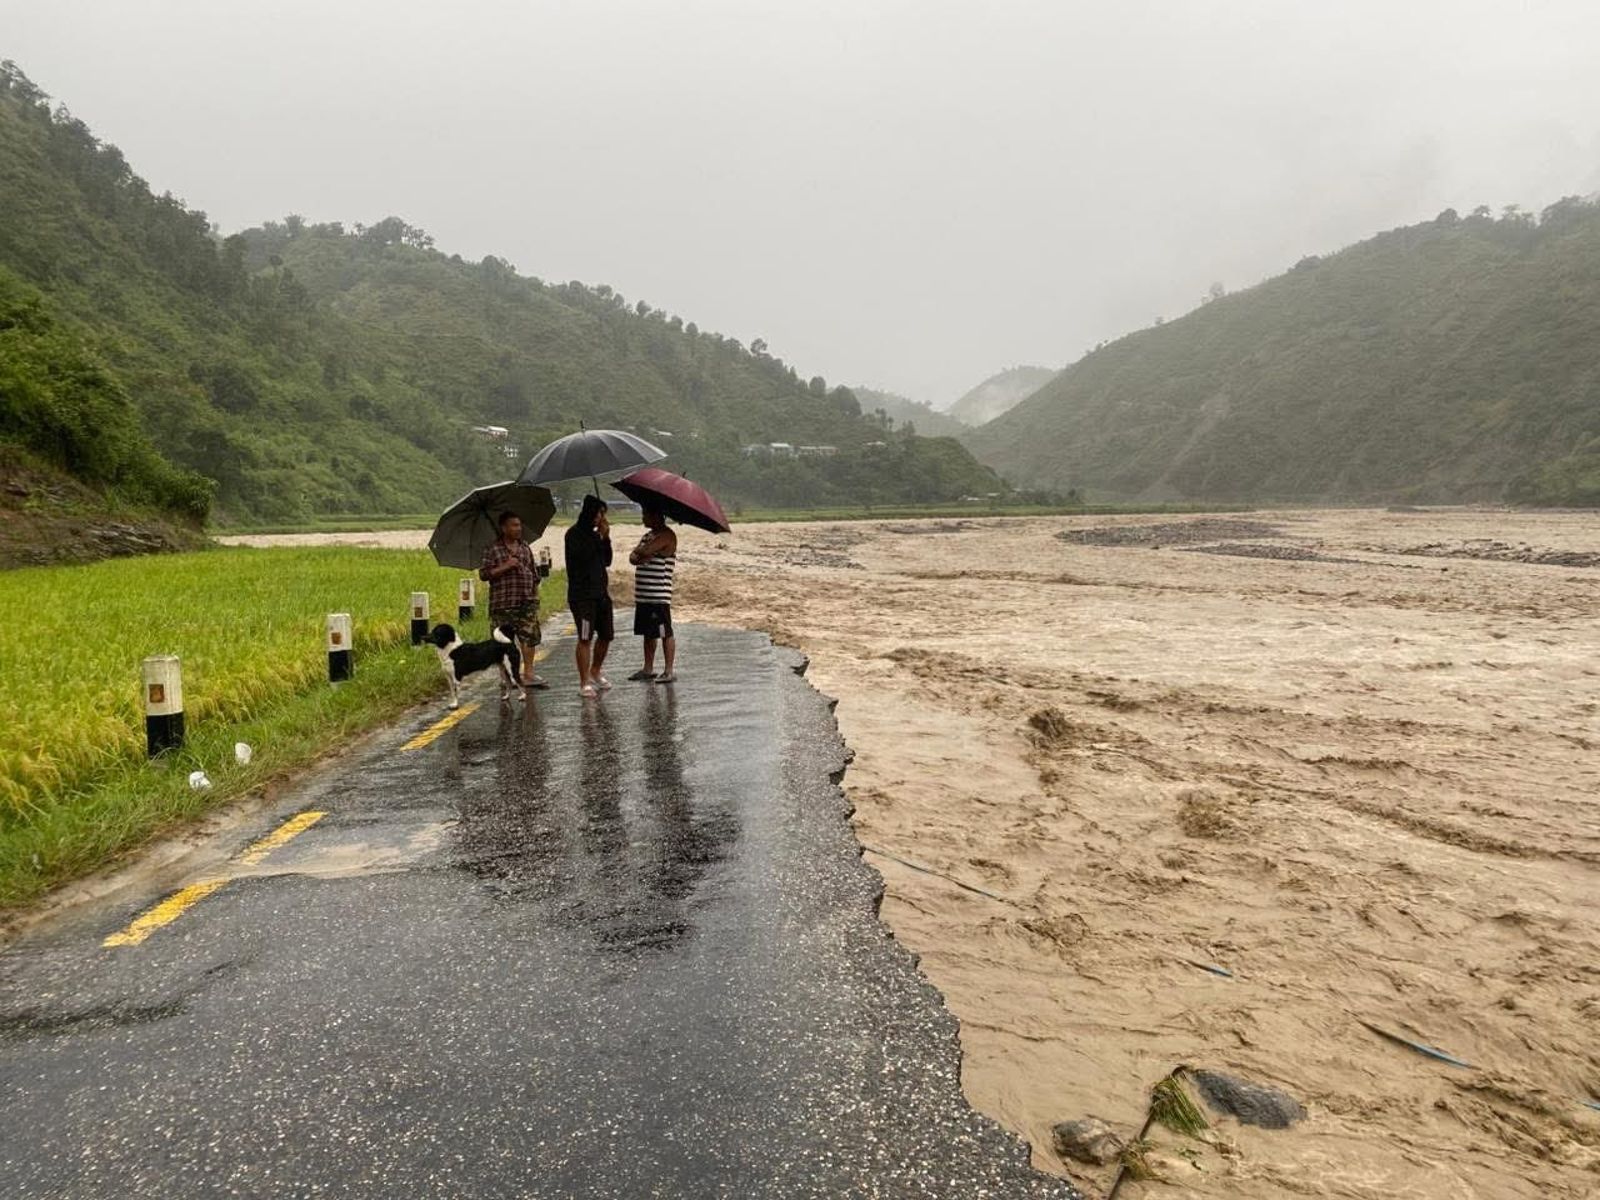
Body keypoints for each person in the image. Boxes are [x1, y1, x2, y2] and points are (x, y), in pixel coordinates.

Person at [478, 511, 548, 688]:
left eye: (519, 525)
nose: (518, 528)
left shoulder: (525, 547)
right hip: (503, 604)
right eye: (514, 525)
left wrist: (534, 586)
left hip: (527, 601)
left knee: (529, 638)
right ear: (503, 528)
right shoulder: (492, 549)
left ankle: (529, 674)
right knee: (502, 642)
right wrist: (506, 566)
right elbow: (484, 574)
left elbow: (533, 571)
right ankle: (506, 677)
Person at [564, 494, 614, 698]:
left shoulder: (597, 535)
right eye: (599, 513)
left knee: (606, 635)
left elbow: (608, 561)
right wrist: (597, 539)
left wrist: (606, 538)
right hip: (582, 596)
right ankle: (584, 681)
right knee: (585, 637)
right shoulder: (573, 534)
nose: (601, 517)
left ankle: (596, 670)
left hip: (601, 593)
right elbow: (582, 558)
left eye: (603, 514)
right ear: (589, 513)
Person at [627, 507, 678, 683]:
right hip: (643, 595)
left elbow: (644, 552)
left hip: (658, 595)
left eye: (645, 514)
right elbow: (632, 558)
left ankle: (669, 670)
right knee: (648, 633)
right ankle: (648, 669)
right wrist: (642, 552)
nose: (643, 518)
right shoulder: (649, 535)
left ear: (656, 515)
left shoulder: (667, 535)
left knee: (665, 631)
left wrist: (642, 551)